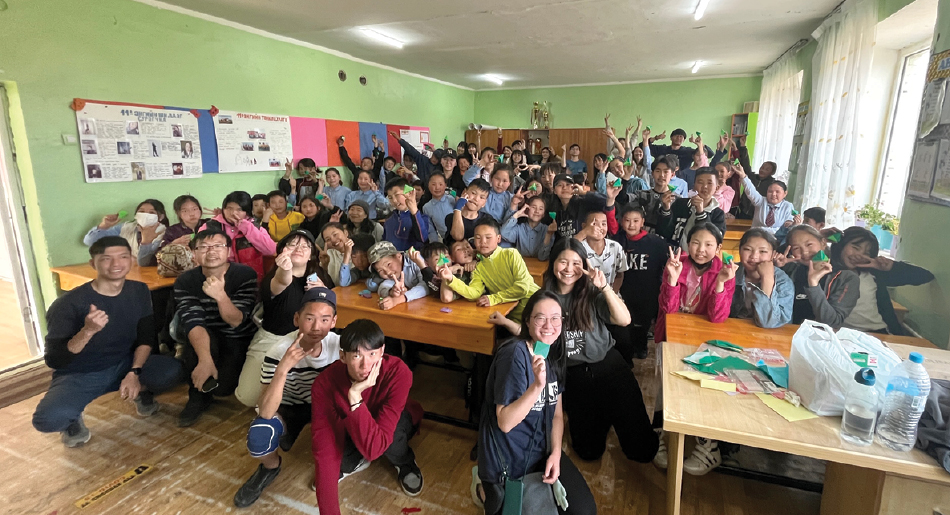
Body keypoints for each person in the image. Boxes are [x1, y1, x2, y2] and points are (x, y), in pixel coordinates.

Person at [32, 237, 181, 447]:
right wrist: (87, 331)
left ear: (131, 260)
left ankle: (140, 390)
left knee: (173, 371)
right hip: (82, 373)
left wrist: (134, 372)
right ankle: (72, 418)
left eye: (123, 257)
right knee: (48, 419)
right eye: (106, 258)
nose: (116, 264)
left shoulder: (139, 291)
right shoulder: (68, 304)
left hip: (125, 363)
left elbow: (146, 338)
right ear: (93, 263)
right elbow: (55, 360)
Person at [532, 238, 658, 465]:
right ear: (553, 263)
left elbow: (624, 320)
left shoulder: (591, 291)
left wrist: (604, 287)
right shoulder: (543, 299)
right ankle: (605, 414)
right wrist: (539, 363)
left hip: (609, 365)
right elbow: (541, 340)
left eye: (576, 263)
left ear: (584, 265)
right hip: (575, 376)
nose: (569, 269)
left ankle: (611, 411)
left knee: (643, 451)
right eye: (563, 262)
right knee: (588, 452)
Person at [472, 290, 596, 515]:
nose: (549, 325)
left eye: (555, 318)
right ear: (527, 321)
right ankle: (484, 487)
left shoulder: (552, 354)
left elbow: (556, 415)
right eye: (540, 318)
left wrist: (556, 453)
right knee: (503, 507)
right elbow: (505, 423)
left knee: (584, 510)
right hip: (507, 460)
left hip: (541, 452)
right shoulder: (514, 355)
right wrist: (537, 386)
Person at [233, 287, 341, 507]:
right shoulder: (277, 351)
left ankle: (345, 459)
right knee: (260, 434)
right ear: (296, 318)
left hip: (325, 407)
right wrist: (283, 369)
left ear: (334, 322)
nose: (316, 327)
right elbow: (265, 412)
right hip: (290, 405)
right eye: (309, 318)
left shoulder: (340, 346)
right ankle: (269, 467)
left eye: (324, 319)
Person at [310, 319, 424, 514]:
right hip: (354, 423)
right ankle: (358, 459)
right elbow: (324, 448)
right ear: (342, 356)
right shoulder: (324, 384)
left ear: (382, 351)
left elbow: (376, 448)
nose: (366, 365)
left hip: (393, 422)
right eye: (356, 355)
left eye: (372, 354)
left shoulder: (398, 371)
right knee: (338, 462)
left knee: (391, 441)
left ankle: (405, 462)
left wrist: (355, 397)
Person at [653, 223, 736, 475]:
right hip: (671, 333)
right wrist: (672, 279)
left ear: (718, 248)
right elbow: (668, 311)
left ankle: (707, 445)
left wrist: (721, 283)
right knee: (664, 386)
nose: (701, 250)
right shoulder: (676, 264)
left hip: (704, 339)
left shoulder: (724, 271)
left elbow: (718, 317)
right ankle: (659, 434)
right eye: (696, 243)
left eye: (709, 244)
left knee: (703, 389)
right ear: (687, 244)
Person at [234, 229, 333, 407]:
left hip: (308, 341)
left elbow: (331, 310)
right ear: (282, 251)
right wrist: (285, 268)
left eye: (305, 246)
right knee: (247, 397)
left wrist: (323, 292)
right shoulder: (275, 277)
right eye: (293, 244)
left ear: (311, 254)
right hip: (273, 339)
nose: (299, 248)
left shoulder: (319, 277)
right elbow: (282, 281)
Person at [173, 229, 259, 426]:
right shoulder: (185, 281)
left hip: (237, 337)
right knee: (196, 349)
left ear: (228, 250)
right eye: (203, 247)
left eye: (218, 246)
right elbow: (194, 322)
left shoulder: (244, 275)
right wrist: (205, 360)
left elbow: (236, 320)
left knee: (223, 388)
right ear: (194, 253)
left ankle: (211, 387)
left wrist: (220, 295)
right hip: (205, 335)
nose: (211, 251)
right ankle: (196, 398)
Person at [830, 226, 934, 334]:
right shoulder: (825, 273)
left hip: (878, 333)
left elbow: (925, 276)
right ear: (841, 245)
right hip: (839, 334)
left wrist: (891, 267)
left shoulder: (874, 273)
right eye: (855, 248)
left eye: (866, 253)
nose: (860, 255)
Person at [440, 218, 539, 324]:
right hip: (513, 317)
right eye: (478, 238)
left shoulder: (511, 254)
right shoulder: (478, 267)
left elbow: (522, 288)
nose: (483, 242)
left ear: (498, 238)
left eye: (488, 237)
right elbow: (474, 293)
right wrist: (451, 279)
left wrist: (493, 299)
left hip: (536, 305)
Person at [612, 205, 668, 361]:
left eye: (636, 221)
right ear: (621, 221)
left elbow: (665, 265)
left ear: (642, 222)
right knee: (625, 323)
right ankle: (627, 350)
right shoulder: (616, 241)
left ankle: (641, 346)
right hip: (624, 291)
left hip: (647, 292)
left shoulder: (656, 242)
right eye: (627, 220)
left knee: (642, 324)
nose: (631, 225)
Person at [778, 225, 859, 330]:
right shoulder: (790, 270)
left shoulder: (845, 277)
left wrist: (813, 285)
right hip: (788, 333)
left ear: (823, 243)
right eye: (796, 248)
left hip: (821, 337)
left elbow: (833, 323)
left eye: (809, 244)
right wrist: (777, 266)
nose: (804, 252)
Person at [200, 191, 277, 280]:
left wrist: (246, 228)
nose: (233, 213)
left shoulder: (253, 226)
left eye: (239, 209)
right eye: (229, 208)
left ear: (247, 212)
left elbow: (271, 250)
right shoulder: (210, 226)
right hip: (218, 277)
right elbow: (199, 251)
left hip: (249, 277)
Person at [731, 229, 794, 328]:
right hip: (734, 330)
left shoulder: (783, 281)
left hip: (771, 335)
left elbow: (768, 323)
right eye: (747, 249)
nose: (754, 256)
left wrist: (767, 279)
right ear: (739, 251)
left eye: (763, 251)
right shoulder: (731, 272)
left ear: (772, 254)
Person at [84, 199, 169, 266]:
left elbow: (145, 262)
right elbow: (90, 241)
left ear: (161, 217)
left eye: (151, 212)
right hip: (128, 271)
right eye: (141, 211)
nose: (145, 215)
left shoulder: (165, 233)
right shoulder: (127, 227)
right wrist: (104, 225)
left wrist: (146, 242)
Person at [656, 167, 726, 249]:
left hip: (700, 255)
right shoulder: (680, 204)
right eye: (700, 182)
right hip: (675, 254)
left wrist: (700, 213)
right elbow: (663, 232)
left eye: (709, 183)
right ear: (694, 186)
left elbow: (714, 239)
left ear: (716, 188)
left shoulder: (718, 214)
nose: (705, 186)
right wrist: (666, 209)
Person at [617, 156, 677, 233]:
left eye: (666, 172)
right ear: (652, 173)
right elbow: (622, 199)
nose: (662, 175)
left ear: (672, 175)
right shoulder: (642, 194)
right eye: (658, 171)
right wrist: (625, 179)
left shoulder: (676, 199)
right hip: (639, 235)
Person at [368, 241, 429, 311]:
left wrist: (398, 300)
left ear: (398, 256)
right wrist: (392, 291)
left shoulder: (416, 260)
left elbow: (426, 285)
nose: (387, 272)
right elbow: (383, 286)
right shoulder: (389, 276)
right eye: (380, 271)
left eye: (388, 264)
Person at [733, 165, 793, 233]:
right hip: (756, 235)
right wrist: (743, 175)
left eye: (777, 192)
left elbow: (786, 227)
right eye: (770, 191)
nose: (773, 194)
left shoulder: (788, 206)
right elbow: (750, 191)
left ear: (785, 193)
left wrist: (794, 223)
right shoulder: (761, 201)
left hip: (776, 238)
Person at [383, 178, 430, 251]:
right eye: (390, 197)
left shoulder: (422, 217)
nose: (394, 200)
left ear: (409, 193)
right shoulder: (389, 219)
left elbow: (423, 238)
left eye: (397, 195)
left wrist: (414, 211)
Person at [445, 178, 492, 246]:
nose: (476, 199)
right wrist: (457, 209)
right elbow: (458, 236)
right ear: (464, 192)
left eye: (482, 197)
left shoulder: (487, 220)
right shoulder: (451, 217)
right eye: (473, 193)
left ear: (484, 203)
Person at [648, 128, 712, 173]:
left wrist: (699, 144)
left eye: (681, 136)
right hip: (662, 176)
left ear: (684, 140)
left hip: (683, 178)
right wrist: (656, 138)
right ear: (671, 138)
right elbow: (644, 146)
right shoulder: (662, 149)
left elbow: (710, 153)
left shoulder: (688, 151)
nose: (678, 138)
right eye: (676, 136)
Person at [422, 173, 455, 242]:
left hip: (459, 235)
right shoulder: (426, 207)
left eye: (440, 184)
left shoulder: (452, 199)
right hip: (445, 240)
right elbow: (431, 229)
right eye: (433, 184)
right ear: (428, 185)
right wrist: (435, 244)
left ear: (445, 185)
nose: (437, 188)